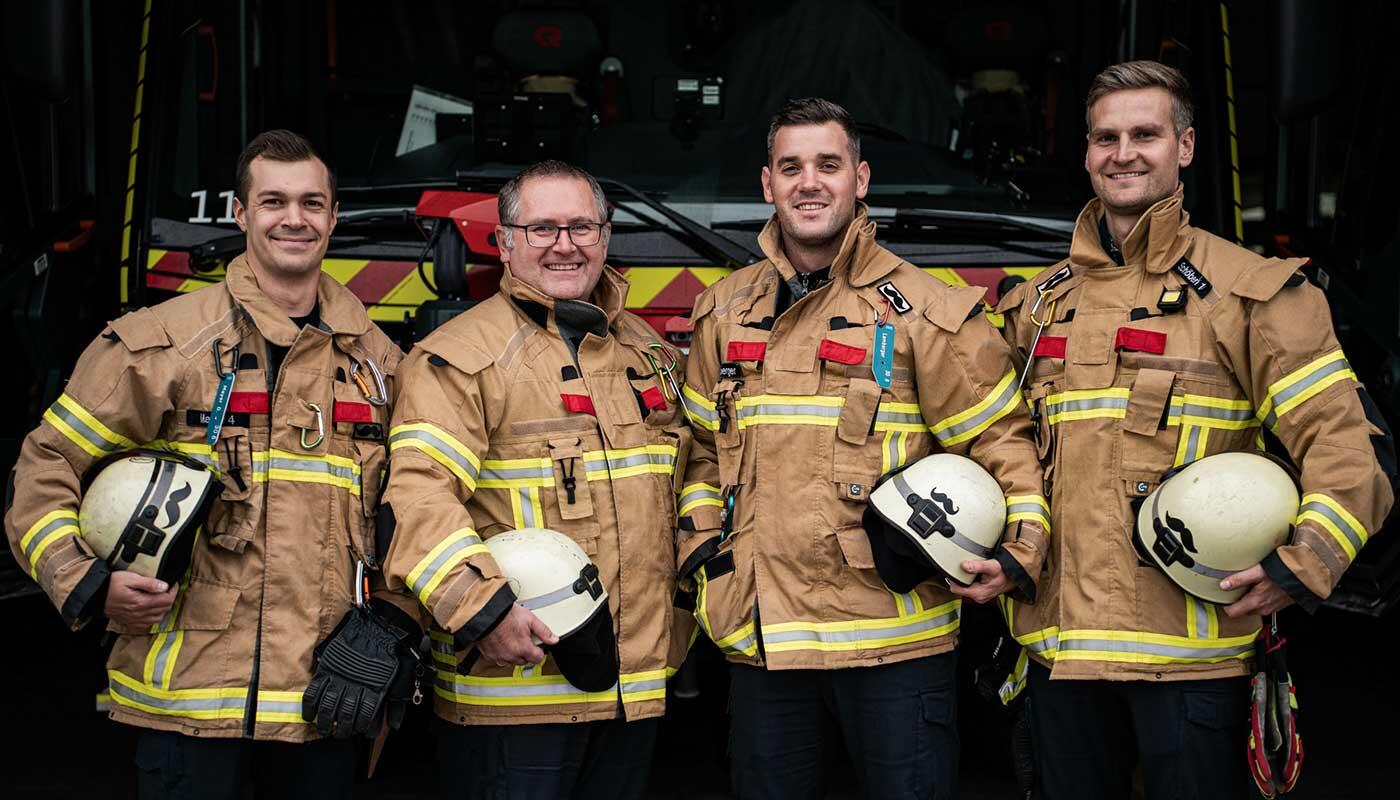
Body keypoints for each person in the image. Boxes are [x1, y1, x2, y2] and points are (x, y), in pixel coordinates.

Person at [995, 60, 1396, 799]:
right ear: (1085, 153)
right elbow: (995, 449)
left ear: (1184, 146)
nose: (1124, 153)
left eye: (1145, 133)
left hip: (1190, 667)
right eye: (1106, 137)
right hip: (1056, 657)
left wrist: (1302, 566)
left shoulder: (1255, 295)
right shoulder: (1038, 305)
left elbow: (1350, 449)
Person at [4, 129, 414, 799]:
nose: (294, 219)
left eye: (312, 203)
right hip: (189, 713)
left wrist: (394, 622)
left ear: (334, 218)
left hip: (327, 707)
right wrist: (84, 580)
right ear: (240, 214)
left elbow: (419, 510)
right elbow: (45, 467)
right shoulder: (159, 345)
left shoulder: (382, 366)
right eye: (274, 201)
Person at [676, 97, 1049, 798]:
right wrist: (703, 543)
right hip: (763, 640)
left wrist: (1020, 549)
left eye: (828, 165)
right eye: (791, 167)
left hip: (892, 644)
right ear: (767, 184)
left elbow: (1002, 439)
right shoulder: (722, 312)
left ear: (861, 178)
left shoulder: (929, 314)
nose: (809, 183)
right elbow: (700, 446)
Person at [380, 160, 693, 800]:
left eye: (581, 226)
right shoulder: (459, 358)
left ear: (605, 237)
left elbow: (691, 478)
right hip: (514, 694)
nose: (564, 244)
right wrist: (479, 611)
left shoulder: (648, 354)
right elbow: (418, 496)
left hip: (633, 688)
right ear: (504, 242)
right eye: (542, 228)